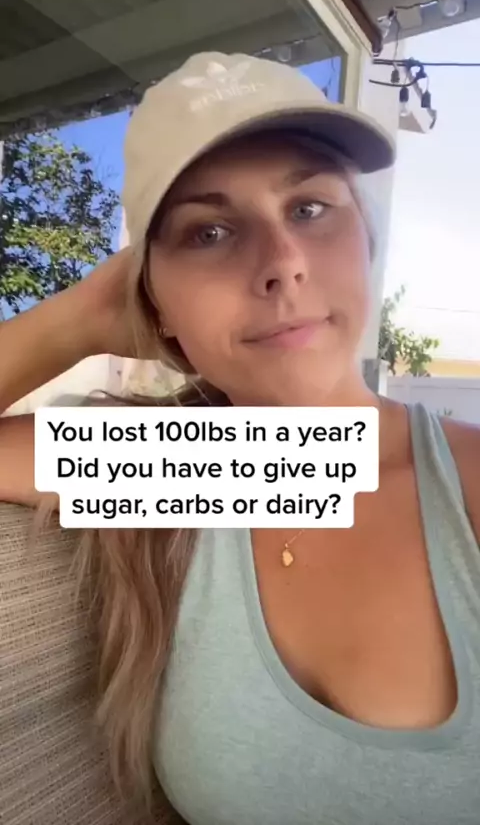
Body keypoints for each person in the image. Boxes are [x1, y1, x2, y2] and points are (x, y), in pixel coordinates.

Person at [1, 51, 480, 825]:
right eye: (211, 231)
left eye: (310, 208)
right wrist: (76, 322)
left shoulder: (464, 487)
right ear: (154, 303)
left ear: (366, 242)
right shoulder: (195, 468)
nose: (283, 263)